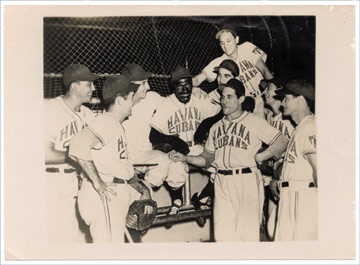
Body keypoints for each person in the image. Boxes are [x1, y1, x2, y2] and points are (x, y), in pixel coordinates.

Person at [169, 78, 288, 241]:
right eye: (222, 97)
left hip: (246, 180)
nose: (223, 101)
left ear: (240, 99)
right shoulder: (215, 127)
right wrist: (185, 158)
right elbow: (207, 159)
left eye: (229, 97)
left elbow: (282, 141)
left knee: (247, 237)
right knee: (222, 237)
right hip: (221, 182)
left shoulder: (254, 121)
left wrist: (262, 156)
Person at [68, 75, 153, 243]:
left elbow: (124, 169)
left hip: (115, 191)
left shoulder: (115, 125)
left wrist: (143, 191)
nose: (134, 101)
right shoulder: (106, 122)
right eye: (131, 97)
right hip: (104, 194)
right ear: (121, 101)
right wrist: (98, 182)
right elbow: (78, 144)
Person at [149, 66, 219, 216]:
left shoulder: (200, 98)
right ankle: (177, 201)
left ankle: (202, 198)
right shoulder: (166, 104)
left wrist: (206, 124)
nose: (185, 88)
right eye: (179, 85)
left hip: (198, 147)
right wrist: (171, 141)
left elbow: (220, 113)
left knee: (221, 165)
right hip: (176, 150)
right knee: (175, 170)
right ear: (173, 86)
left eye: (187, 83)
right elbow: (154, 134)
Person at [44, 63, 100, 243]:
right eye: (89, 84)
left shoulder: (88, 115)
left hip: (77, 181)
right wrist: (76, 155)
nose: (94, 87)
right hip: (53, 183)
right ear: (75, 86)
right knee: (59, 240)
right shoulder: (50, 109)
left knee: (77, 239)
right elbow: (45, 154)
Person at [192, 24, 273, 117]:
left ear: (237, 39)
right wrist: (191, 88)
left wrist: (273, 90)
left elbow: (264, 70)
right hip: (244, 105)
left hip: (263, 97)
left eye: (228, 41)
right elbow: (197, 79)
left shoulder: (247, 47)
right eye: (222, 43)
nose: (226, 46)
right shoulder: (219, 62)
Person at [271, 79, 317, 241]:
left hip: (302, 196)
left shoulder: (311, 126)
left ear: (300, 100)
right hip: (291, 194)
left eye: (286, 98)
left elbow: (320, 170)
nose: (282, 103)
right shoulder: (300, 128)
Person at [259, 77, 295, 241]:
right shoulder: (270, 119)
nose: (265, 92)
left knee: (286, 229)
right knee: (272, 230)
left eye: (269, 88)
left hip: (289, 177)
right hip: (274, 176)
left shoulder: (289, 119)